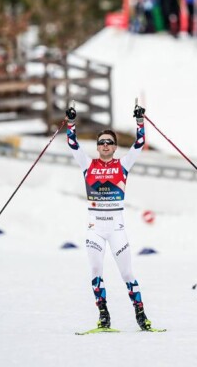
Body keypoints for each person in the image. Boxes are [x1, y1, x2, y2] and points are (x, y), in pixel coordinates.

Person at [65, 103, 153, 331]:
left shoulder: (123, 164)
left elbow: (140, 144)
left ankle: (141, 317)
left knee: (127, 273)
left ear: (115, 147)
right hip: (95, 228)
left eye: (109, 142)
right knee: (95, 271)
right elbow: (72, 143)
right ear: (97, 147)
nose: (105, 145)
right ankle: (104, 316)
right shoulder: (88, 164)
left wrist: (140, 122)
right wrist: (71, 122)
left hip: (116, 229)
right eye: (101, 142)